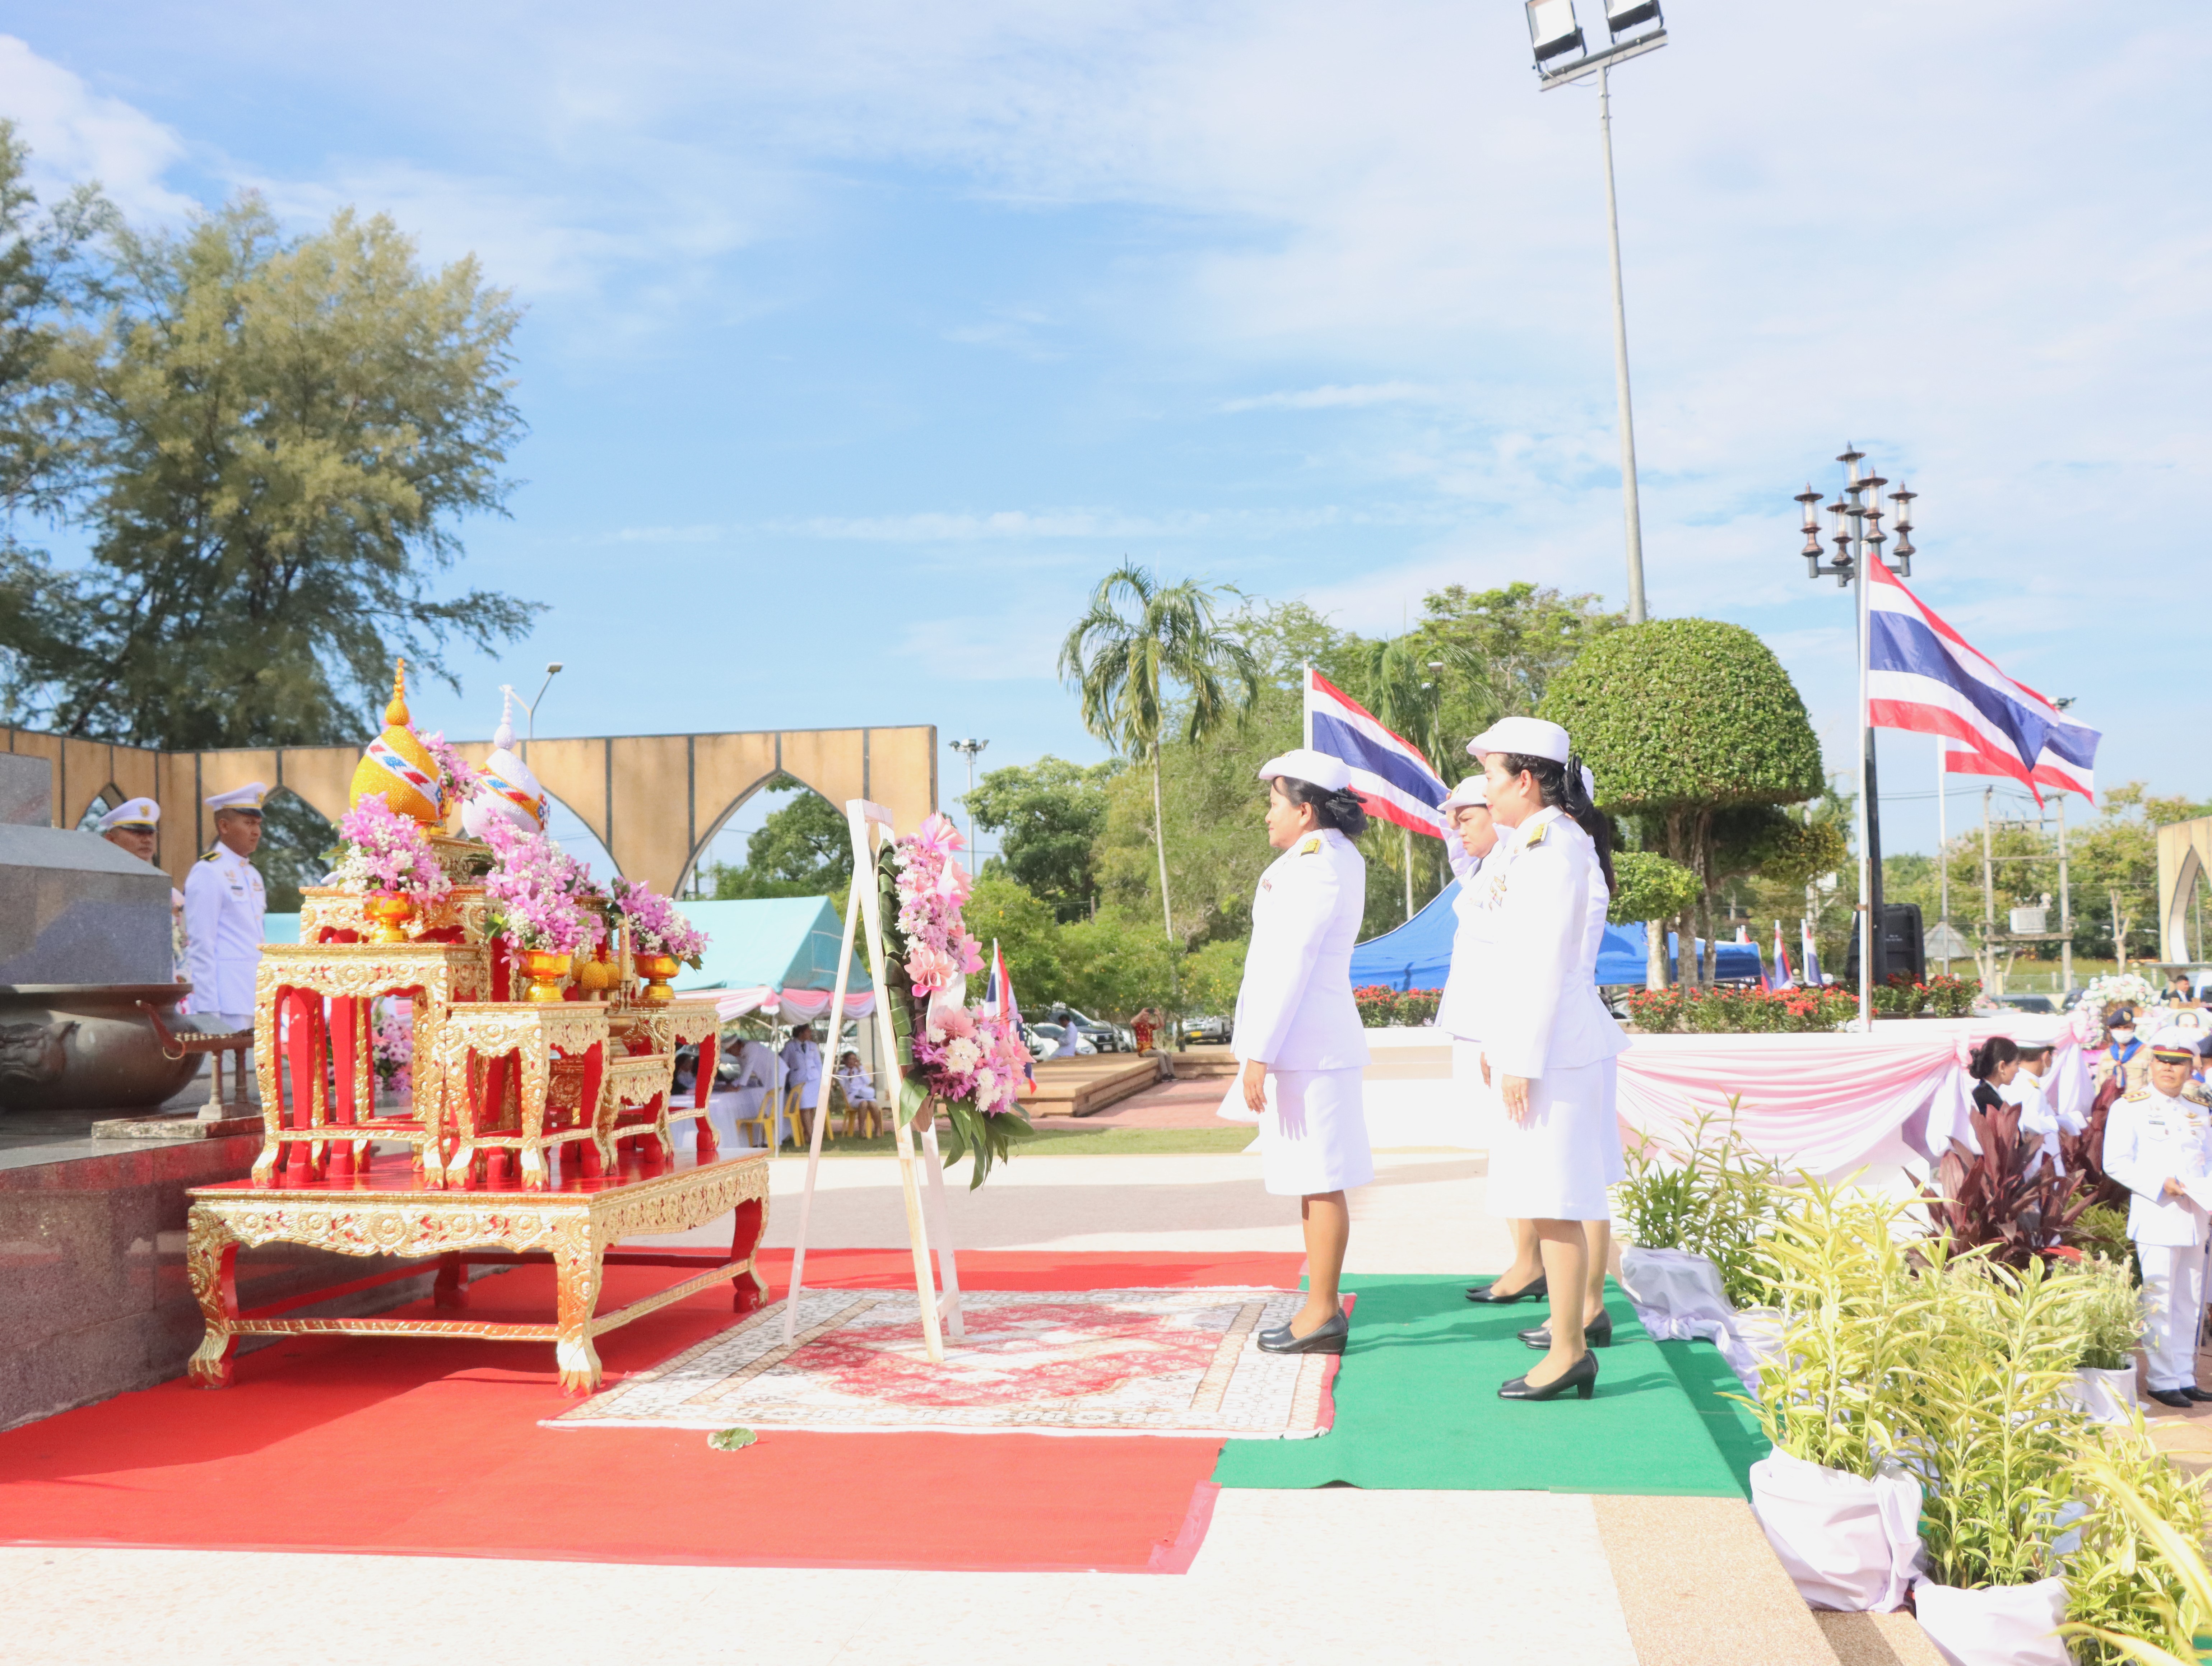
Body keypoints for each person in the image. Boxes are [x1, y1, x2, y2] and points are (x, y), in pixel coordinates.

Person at [1465, 717, 1626, 1404]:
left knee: (1558, 1201)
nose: (1486, 792)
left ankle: (1569, 1351)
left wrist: (1519, 1058)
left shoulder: (1553, 848)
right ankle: (1569, 1344)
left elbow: (1543, 964)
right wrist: (1498, 1042)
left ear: (1526, 781)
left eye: (1493, 778)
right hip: (1545, 1043)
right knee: (1549, 1198)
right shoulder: (1535, 845)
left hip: (1555, 1048)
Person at [1219, 747, 1372, 1357]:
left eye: (1274, 803)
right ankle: (1319, 1306)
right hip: (1310, 1044)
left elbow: (1290, 966)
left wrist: (1258, 1053)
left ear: (1305, 811)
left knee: (1323, 1180)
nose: (1267, 815)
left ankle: (1322, 1311)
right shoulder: (1326, 857)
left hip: (1308, 1046)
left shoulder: (1317, 869)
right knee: (1314, 1180)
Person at [1432, 775, 1535, 1307]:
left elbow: (1513, 960)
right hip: (1480, 1027)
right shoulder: (1483, 867)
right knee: (1506, 1150)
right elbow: (1456, 847)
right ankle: (1526, 1261)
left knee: (1517, 1149)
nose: (1458, 830)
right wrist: (1454, 805)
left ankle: (1531, 1264)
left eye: (1468, 818)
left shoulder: (1512, 863)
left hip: (1498, 1029)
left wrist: (1499, 1038)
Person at [2101, 1027, 2212, 1408]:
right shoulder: (2129, 1107)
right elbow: (2115, 1162)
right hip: (2158, 1213)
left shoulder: (2199, 1110)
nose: (2168, 1068)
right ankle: (2163, 1380)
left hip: (2196, 1216)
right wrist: (2159, 1184)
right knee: (2159, 1300)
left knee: (2190, 1301)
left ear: (2190, 1069)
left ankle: (2184, 1375)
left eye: (2177, 1063)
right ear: (2151, 1064)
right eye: (2162, 1060)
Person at [183, 784, 267, 1097]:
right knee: (229, 1088)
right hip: (226, 998)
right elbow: (201, 944)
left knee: (253, 1090)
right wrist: (208, 1009)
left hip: (254, 993)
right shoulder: (208, 872)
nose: (256, 831)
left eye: (258, 824)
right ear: (224, 826)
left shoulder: (253, 875)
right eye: (248, 823)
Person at [96, 797, 189, 983]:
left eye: (150, 833)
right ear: (110, 840)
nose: (147, 839)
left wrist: (183, 978)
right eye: (136, 832)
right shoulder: (98, 891)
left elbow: (186, 950)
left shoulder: (172, 897)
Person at [2004, 1042, 2062, 1176]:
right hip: (2037, 1170)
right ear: (2046, 1056)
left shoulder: (2018, 1082)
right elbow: (2030, 1135)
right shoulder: (2030, 1089)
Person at [780, 1024, 824, 1145]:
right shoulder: (790, 1046)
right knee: (804, 1107)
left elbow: (818, 1063)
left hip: (814, 1079)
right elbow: (784, 1062)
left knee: (811, 1107)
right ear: (801, 1033)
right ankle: (811, 1135)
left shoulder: (813, 1046)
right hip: (799, 1080)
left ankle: (808, 1132)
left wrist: (822, 1078)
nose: (810, 1034)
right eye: (808, 1032)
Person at [2096, 1008, 2148, 1095]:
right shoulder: (2107, 1055)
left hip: (2138, 1101)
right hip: (2113, 1102)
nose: (2123, 1031)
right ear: (2111, 1029)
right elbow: (2100, 1087)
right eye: (2118, 1028)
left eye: (2127, 1027)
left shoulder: (2147, 1052)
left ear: (2134, 1028)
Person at [1967, 1036, 2021, 1115]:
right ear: (2002, 1066)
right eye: (2017, 1064)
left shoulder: (1987, 1093)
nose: (2018, 1070)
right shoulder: (1985, 1098)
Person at [835, 1049, 880, 1138]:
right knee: (864, 1104)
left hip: (865, 1095)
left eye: (854, 1059)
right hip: (853, 1097)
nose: (852, 1062)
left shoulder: (860, 1070)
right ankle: (862, 1131)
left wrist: (860, 1070)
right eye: (850, 1059)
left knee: (873, 1105)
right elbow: (845, 1088)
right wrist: (849, 1078)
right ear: (846, 1060)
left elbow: (868, 1081)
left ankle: (878, 1129)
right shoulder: (842, 1073)